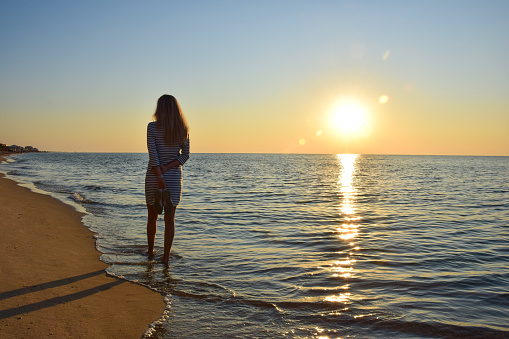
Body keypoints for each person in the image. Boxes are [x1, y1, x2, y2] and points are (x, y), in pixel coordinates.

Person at [145, 94, 190, 264]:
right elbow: (185, 156)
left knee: (152, 216)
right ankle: (165, 257)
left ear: (160, 109)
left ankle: (150, 252)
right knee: (170, 218)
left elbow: (153, 154)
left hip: (154, 175)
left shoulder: (152, 128)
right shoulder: (183, 129)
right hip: (173, 176)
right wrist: (166, 169)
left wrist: (159, 174)